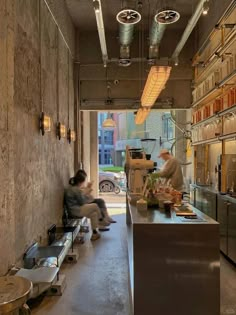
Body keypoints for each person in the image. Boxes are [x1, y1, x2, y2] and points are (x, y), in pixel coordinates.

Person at [64, 171, 109, 242]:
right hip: (75, 211)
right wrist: (86, 192)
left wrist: (85, 193)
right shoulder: (75, 190)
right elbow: (82, 202)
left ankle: (95, 233)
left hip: (74, 209)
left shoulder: (72, 188)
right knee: (95, 205)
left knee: (93, 214)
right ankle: (101, 220)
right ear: (81, 181)